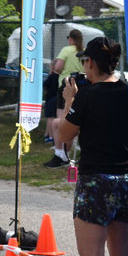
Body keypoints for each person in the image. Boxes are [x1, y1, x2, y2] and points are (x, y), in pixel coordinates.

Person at [54, 36, 128, 256]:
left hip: (96, 181)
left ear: (90, 62)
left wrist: (69, 101)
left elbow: (62, 136)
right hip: (127, 178)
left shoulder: (86, 96)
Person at [44, 29, 84, 167]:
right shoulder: (83, 50)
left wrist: (57, 70)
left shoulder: (66, 50)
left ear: (71, 39)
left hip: (66, 85)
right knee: (76, 118)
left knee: (62, 120)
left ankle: (61, 154)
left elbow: (59, 67)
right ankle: (68, 152)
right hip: (81, 85)